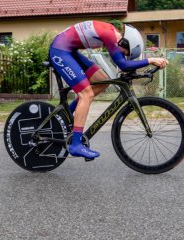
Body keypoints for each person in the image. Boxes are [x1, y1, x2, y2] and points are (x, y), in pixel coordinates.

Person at [49, 20, 168, 159]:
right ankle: (75, 144)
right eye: (125, 52)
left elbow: (124, 64)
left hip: (69, 51)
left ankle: (66, 116)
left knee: (102, 80)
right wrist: (150, 60)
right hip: (60, 51)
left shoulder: (112, 34)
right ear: (124, 43)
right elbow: (123, 65)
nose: (122, 54)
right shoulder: (109, 35)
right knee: (86, 94)